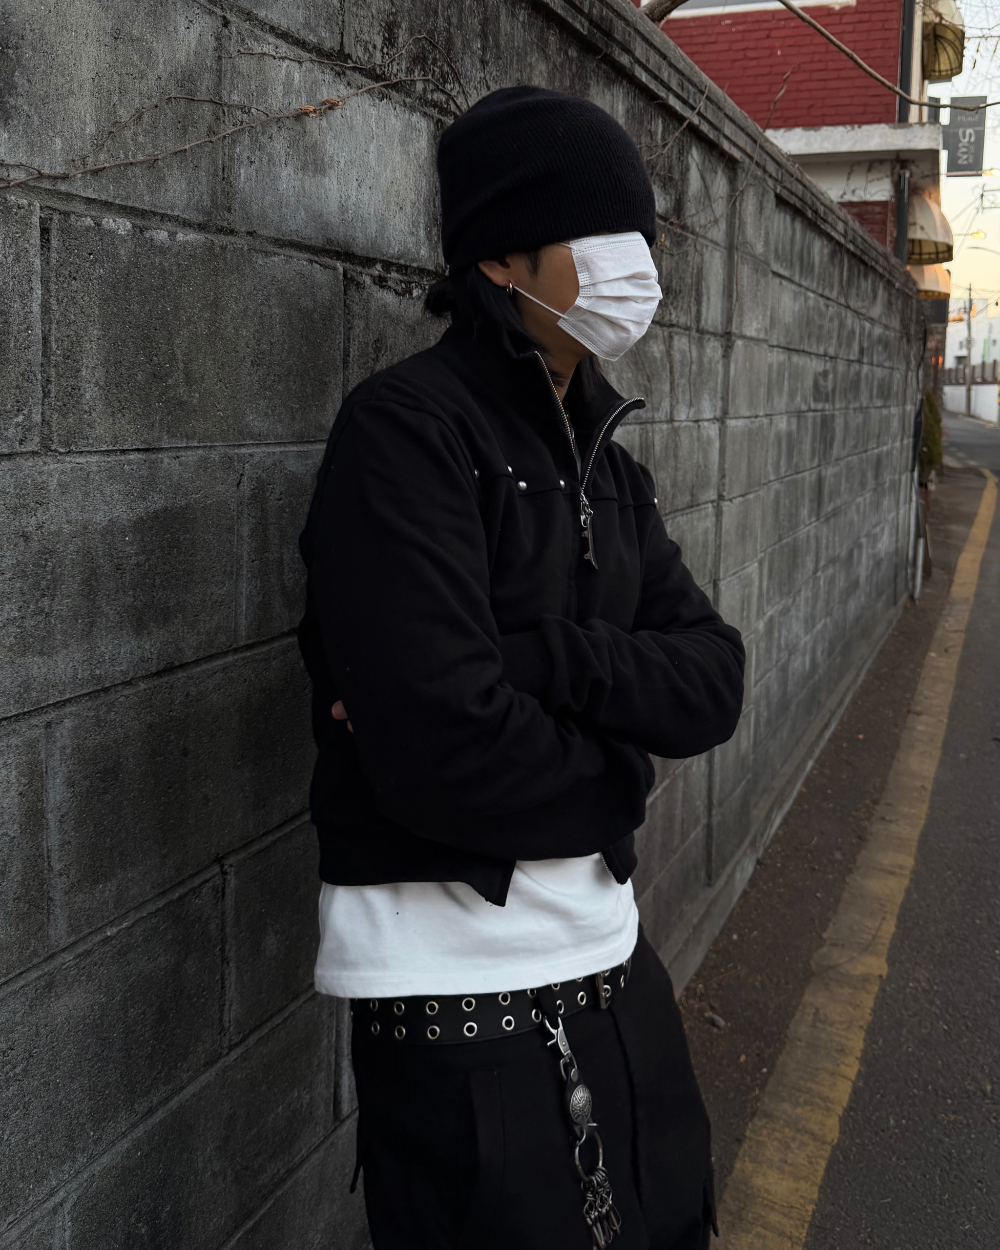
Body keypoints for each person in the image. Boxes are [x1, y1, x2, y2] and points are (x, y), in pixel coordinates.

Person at [297, 86, 745, 1250]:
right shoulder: (405, 434)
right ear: (500, 258)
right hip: (451, 1000)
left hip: (616, 960)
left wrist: (547, 658)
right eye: (604, 234)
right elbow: (444, 750)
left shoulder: (608, 461)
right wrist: (624, 769)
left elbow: (713, 677)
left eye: (642, 235)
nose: (637, 264)